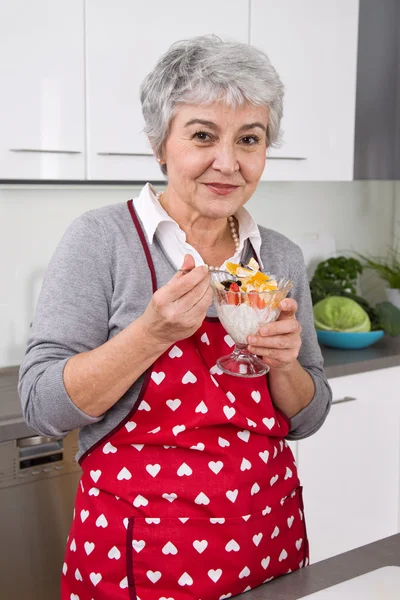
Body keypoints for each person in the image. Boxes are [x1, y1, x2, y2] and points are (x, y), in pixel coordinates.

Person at [19, 35, 332, 600]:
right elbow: (42, 406)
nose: (228, 163)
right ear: (160, 144)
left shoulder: (278, 256)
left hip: (267, 533)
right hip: (141, 547)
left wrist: (286, 366)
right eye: (203, 136)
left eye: (250, 139)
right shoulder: (103, 240)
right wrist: (151, 333)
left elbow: (309, 416)